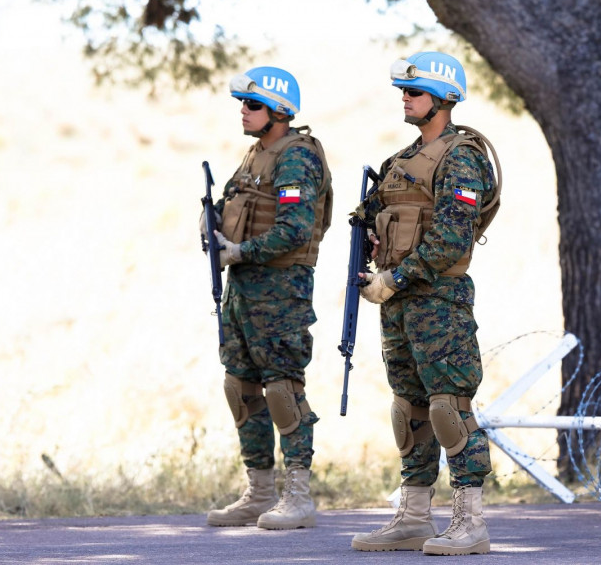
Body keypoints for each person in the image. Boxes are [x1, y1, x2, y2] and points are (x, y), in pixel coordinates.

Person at [350, 51, 501, 555]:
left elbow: (451, 241)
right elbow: (371, 216)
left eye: (414, 93)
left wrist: (394, 277)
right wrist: (375, 243)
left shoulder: (462, 157)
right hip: (398, 304)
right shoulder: (400, 162)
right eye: (404, 93)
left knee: (449, 408)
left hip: (438, 300)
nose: (405, 99)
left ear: (443, 98)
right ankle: (414, 516)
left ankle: (470, 521)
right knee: (409, 411)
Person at [202, 66, 333, 530]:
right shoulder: (254, 154)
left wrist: (240, 250)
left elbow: (296, 231)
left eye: (253, 104)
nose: (243, 110)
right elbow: (233, 205)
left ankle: (298, 496)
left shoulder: (297, 157)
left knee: (282, 388)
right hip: (242, 290)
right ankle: (259, 492)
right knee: (240, 387)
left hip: (281, 289)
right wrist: (212, 224)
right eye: (243, 103)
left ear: (279, 111)